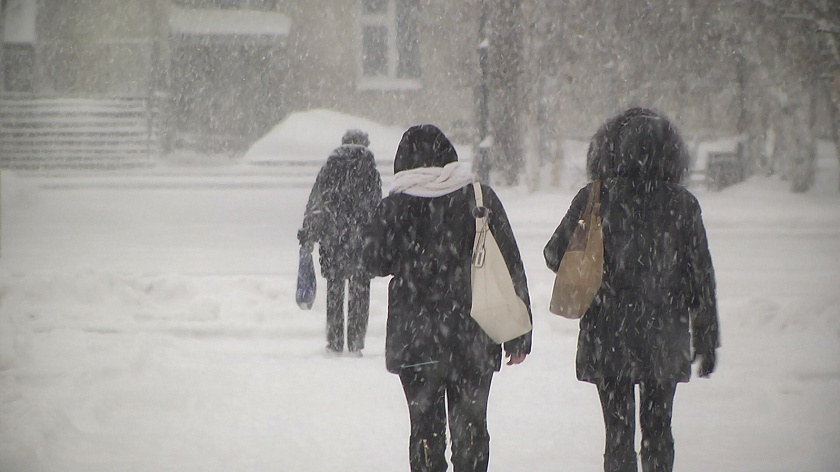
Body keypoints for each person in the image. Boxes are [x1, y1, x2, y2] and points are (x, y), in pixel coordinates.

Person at [543, 108, 720, 472]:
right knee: (658, 431)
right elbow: (701, 277)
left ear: (611, 151)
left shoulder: (594, 198)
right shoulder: (683, 205)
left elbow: (553, 254)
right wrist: (705, 337)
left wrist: (592, 256)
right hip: (663, 337)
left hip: (608, 336)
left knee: (618, 434)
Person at [365, 124, 532, 472]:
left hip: (416, 339)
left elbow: (373, 262)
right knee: (471, 430)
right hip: (474, 333)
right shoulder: (479, 198)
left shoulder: (395, 205)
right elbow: (509, 263)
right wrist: (519, 334)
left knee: (425, 433)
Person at [298, 128, 382, 355]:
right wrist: (379, 237)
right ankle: (355, 344)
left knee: (334, 290)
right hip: (361, 241)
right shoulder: (370, 171)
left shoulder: (330, 168)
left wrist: (309, 233)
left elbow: (316, 204)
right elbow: (377, 208)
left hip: (333, 239)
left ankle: (334, 343)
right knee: (360, 291)